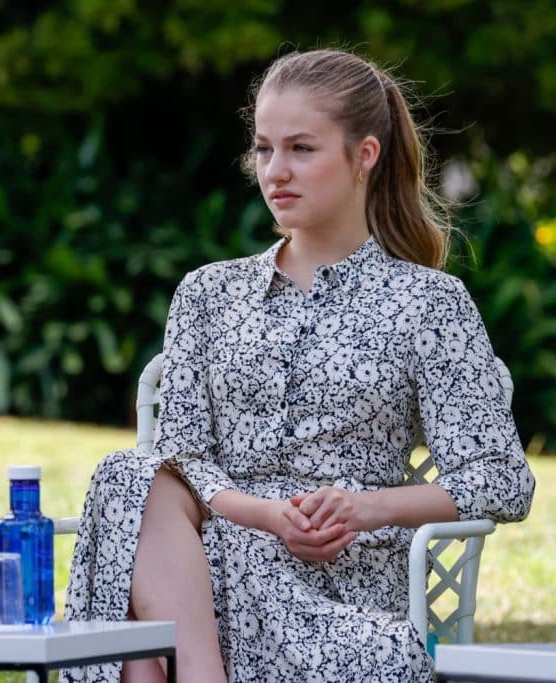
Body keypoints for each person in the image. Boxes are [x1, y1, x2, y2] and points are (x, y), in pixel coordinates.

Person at [63, 48, 536, 682]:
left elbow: (502, 479)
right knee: (131, 474)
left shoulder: (429, 304)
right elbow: (179, 461)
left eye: (301, 149)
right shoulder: (207, 293)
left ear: (363, 155)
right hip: (205, 575)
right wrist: (264, 515)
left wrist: (364, 507)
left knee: (137, 628)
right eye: (263, 149)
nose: (275, 171)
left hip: (341, 596)